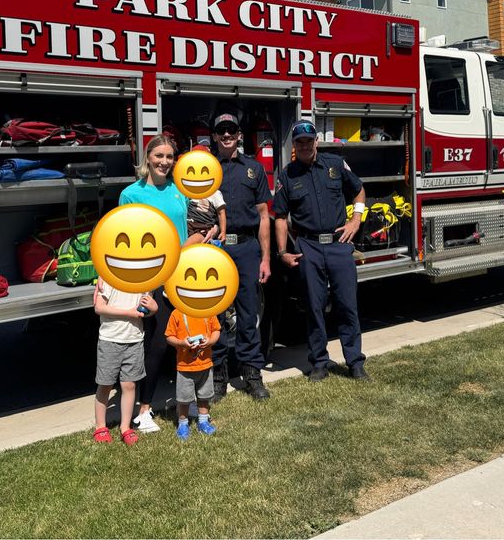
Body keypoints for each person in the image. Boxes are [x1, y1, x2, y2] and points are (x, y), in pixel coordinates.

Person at [118, 135, 205, 433]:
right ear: (148, 157)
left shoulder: (180, 191)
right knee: (155, 343)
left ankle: (188, 399)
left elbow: (191, 226)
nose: (165, 162)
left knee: (187, 336)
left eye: (170, 157)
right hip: (151, 276)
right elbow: (125, 239)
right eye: (159, 156)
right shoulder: (131, 194)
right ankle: (144, 409)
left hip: (181, 275)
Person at [273, 120, 369, 382]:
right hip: (308, 247)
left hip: (339, 245)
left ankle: (355, 362)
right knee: (314, 308)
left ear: (316, 141)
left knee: (347, 305)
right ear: (294, 145)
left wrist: (355, 221)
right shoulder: (287, 175)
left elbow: (359, 191)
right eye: (299, 141)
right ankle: (318, 363)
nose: (305, 145)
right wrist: (282, 252)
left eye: (308, 140)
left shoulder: (335, 165)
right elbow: (280, 217)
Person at [209, 112, 273, 401]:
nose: (226, 135)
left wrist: (265, 259)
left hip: (247, 248)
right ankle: (219, 377)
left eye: (231, 130)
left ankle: (252, 375)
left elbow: (263, 216)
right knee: (217, 315)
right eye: (221, 130)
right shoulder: (205, 170)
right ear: (213, 136)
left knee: (248, 315)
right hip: (217, 249)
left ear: (239, 135)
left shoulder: (254, 169)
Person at [92, 277, 157, 445]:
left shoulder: (143, 282)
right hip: (110, 340)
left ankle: (125, 427)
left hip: (134, 340)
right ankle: (100, 426)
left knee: (129, 385)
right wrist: (128, 313)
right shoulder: (108, 279)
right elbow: (99, 307)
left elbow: (148, 309)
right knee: (105, 384)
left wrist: (153, 308)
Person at [165, 304, 221, 439]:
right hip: (185, 367)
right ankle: (183, 423)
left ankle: (203, 421)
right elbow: (169, 336)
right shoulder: (177, 313)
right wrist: (181, 343)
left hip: (205, 365)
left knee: (204, 396)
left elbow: (216, 330)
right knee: (184, 399)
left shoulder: (208, 311)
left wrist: (210, 341)